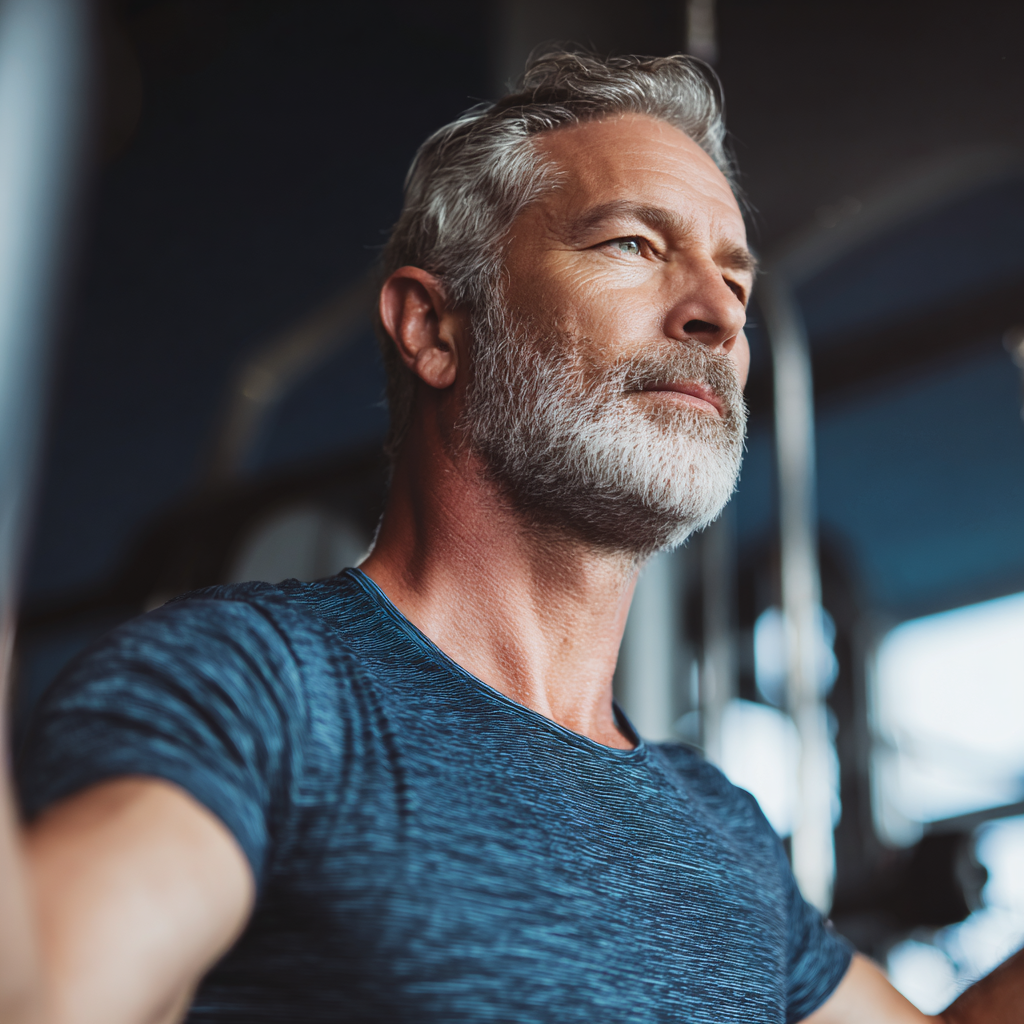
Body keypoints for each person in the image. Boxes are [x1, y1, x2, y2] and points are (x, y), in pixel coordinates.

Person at [1, 50, 1020, 1024]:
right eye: (631, 244)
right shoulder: (255, 686)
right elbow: (50, 995)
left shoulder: (719, 827)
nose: (715, 312)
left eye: (737, 283)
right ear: (435, 330)